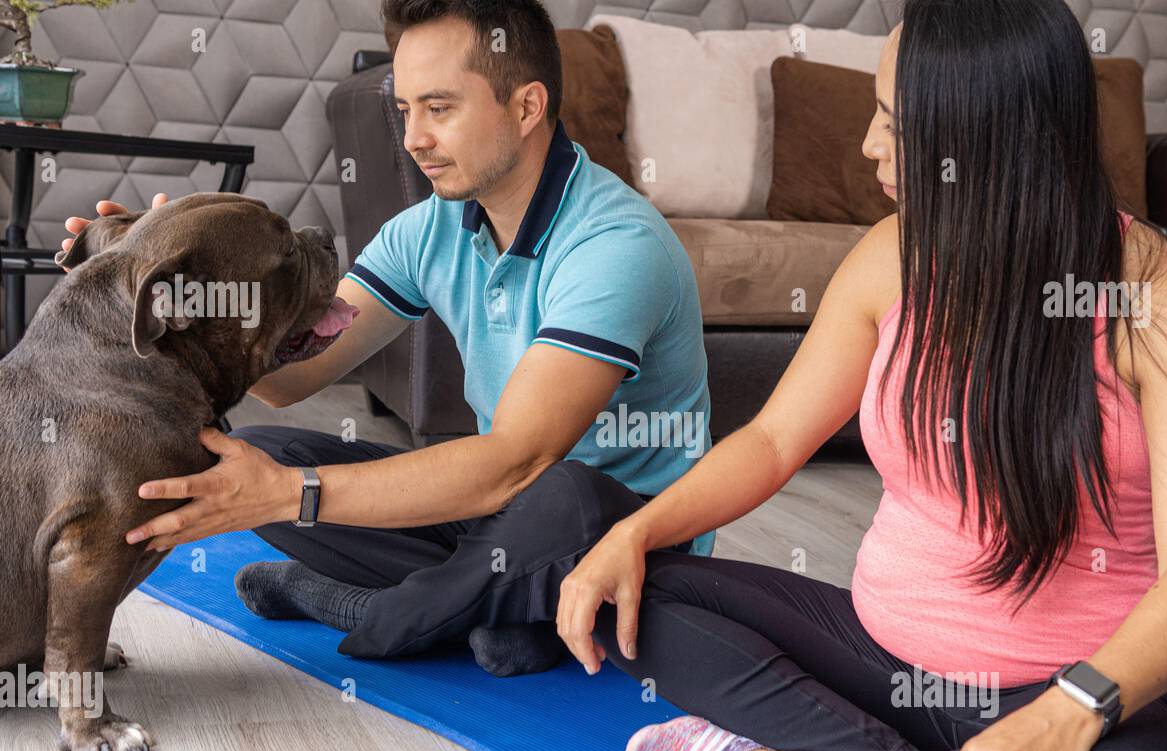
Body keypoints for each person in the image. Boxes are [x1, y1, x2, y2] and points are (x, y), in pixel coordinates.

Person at [549, 0, 1167, 751]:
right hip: (882, 663)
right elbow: (772, 441)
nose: (872, 146)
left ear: (988, 136)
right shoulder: (891, 256)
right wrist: (635, 530)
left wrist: (1070, 714)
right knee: (638, 594)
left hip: (1080, 690)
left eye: (896, 121)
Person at [64, 0, 713, 676]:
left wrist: (294, 494)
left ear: (526, 108)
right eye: (405, 111)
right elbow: (290, 379)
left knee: (567, 493)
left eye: (439, 109)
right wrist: (179, 296)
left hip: (624, 542)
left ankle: (356, 606)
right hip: (498, 520)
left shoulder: (614, 245)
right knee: (254, 452)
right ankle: (493, 612)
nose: (412, 140)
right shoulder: (431, 227)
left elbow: (518, 461)